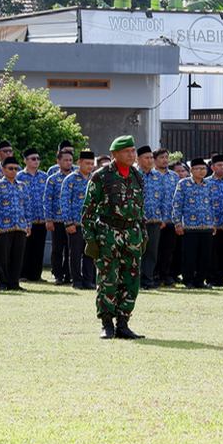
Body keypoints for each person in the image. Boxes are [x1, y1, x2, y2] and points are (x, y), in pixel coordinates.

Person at [80, 136, 147, 339]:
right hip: (108, 233)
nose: (132, 155)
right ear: (115, 154)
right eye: (127, 151)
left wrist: (142, 234)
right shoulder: (101, 176)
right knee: (108, 278)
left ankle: (123, 324)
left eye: (133, 151)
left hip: (132, 234)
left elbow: (141, 208)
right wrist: (90, 239)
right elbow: (88, 210)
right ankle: (107, 324)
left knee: (131, 279)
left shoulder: (136, 175)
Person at [0, 156, 31, 291]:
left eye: (16, 169)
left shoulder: (22, 186)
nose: (13, 171)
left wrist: (28, 225)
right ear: (3, 169)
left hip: (20, 226)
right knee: (2, 257)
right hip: (2, 227)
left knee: (17, 257)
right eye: (10, 168)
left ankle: (14, 283)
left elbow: (27, 207)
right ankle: (2, 283)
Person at [172, 157, 215, 289]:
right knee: (189, 255)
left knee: (205, 256)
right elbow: (177, 204)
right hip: (190, 226)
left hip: (207, 225)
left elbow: (212, 204)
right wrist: (177, 223)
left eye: (204, 168)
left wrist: (213, 223)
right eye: (198, 169)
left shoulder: (208, 184)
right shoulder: (183, 184)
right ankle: (188, 281)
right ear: (191, 170)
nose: (202, 171)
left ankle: (200, 281)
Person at [62, 150, 97, 290]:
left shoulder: (95, 179)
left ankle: (89, 281)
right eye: (87, 163)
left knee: (90, 253)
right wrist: (68, 222)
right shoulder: (70, 179)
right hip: (75, 223)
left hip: (92, 224)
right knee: (75, 253)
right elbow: (64, 201)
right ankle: (76, 280)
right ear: (79, 163)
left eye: (92, 164)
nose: (90, 166)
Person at [17, 147, 48, 282]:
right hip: (25, 219)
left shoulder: (44, 177)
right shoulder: (19, 176)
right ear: (25, 160)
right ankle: (22, 274)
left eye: (38, 159)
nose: (36, 161)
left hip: (41, 218)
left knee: (39, 248)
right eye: (33, 159)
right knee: (25, 248)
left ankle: (36, 275)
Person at [44, 147, 75, 285]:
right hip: (57, 219)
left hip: (73, 221)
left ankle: (69, 275)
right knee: (57, 248)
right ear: (58, 162)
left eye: (70, 160)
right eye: (65, 160)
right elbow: (47, 199)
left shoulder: (77, 177)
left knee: (71, 249)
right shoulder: (52, 179)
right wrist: (48, 219)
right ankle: (58, 275)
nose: (68, 163)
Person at [136, 146, 166, 289]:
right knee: (137, 250)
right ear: (138, 159)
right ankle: (135, 280)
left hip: (154, 220)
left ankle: (147, 280)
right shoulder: (133, 174)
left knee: (151, 252)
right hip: (136, 220)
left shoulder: (158, 176)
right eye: (146, 158)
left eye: (151, 158)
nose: (149, 161)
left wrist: (163, 217)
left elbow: (164, 199)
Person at [206, 154, 223, 287]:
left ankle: (222, 278)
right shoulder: (206, 183)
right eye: (219, 165)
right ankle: (211, 278)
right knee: (212, 253)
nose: (222, 167)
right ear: (212, 167)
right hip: (213, 224)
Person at [154, 149, 180, 287]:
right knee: (155, 249)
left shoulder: (174, 176)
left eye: (166, 157)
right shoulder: (151, 175)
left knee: (168, 249)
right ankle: (155, 274)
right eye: (161, 157)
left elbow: (178, 198)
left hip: (171, 218)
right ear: (155, 160)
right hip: (156, 220)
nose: (165, 160)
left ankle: (166, 274)